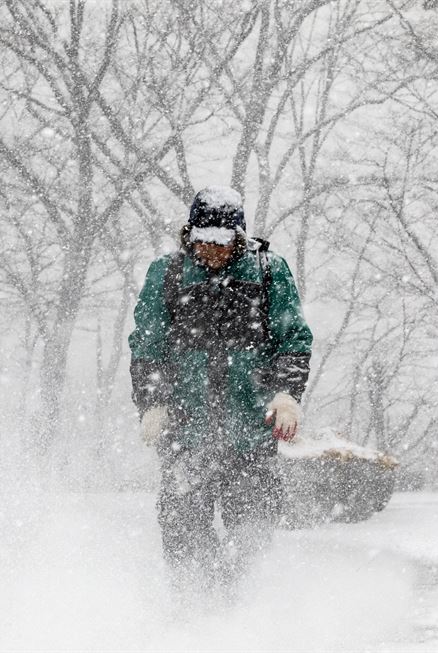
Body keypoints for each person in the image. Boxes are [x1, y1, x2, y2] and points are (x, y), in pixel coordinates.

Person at [128, 186, 313, 596]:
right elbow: (147, 344)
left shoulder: (267, 272)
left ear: (239, 238)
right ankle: (195, 620)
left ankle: (247, 620)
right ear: (189, 235)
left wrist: (286, 394)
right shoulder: (168, 274)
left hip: (249, 434)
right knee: (184, 537)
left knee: (251, 538)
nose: (211, 249)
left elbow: (294, 338)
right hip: (185, 435)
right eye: (203, 240)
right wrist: (153, 402)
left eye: (222, 241)